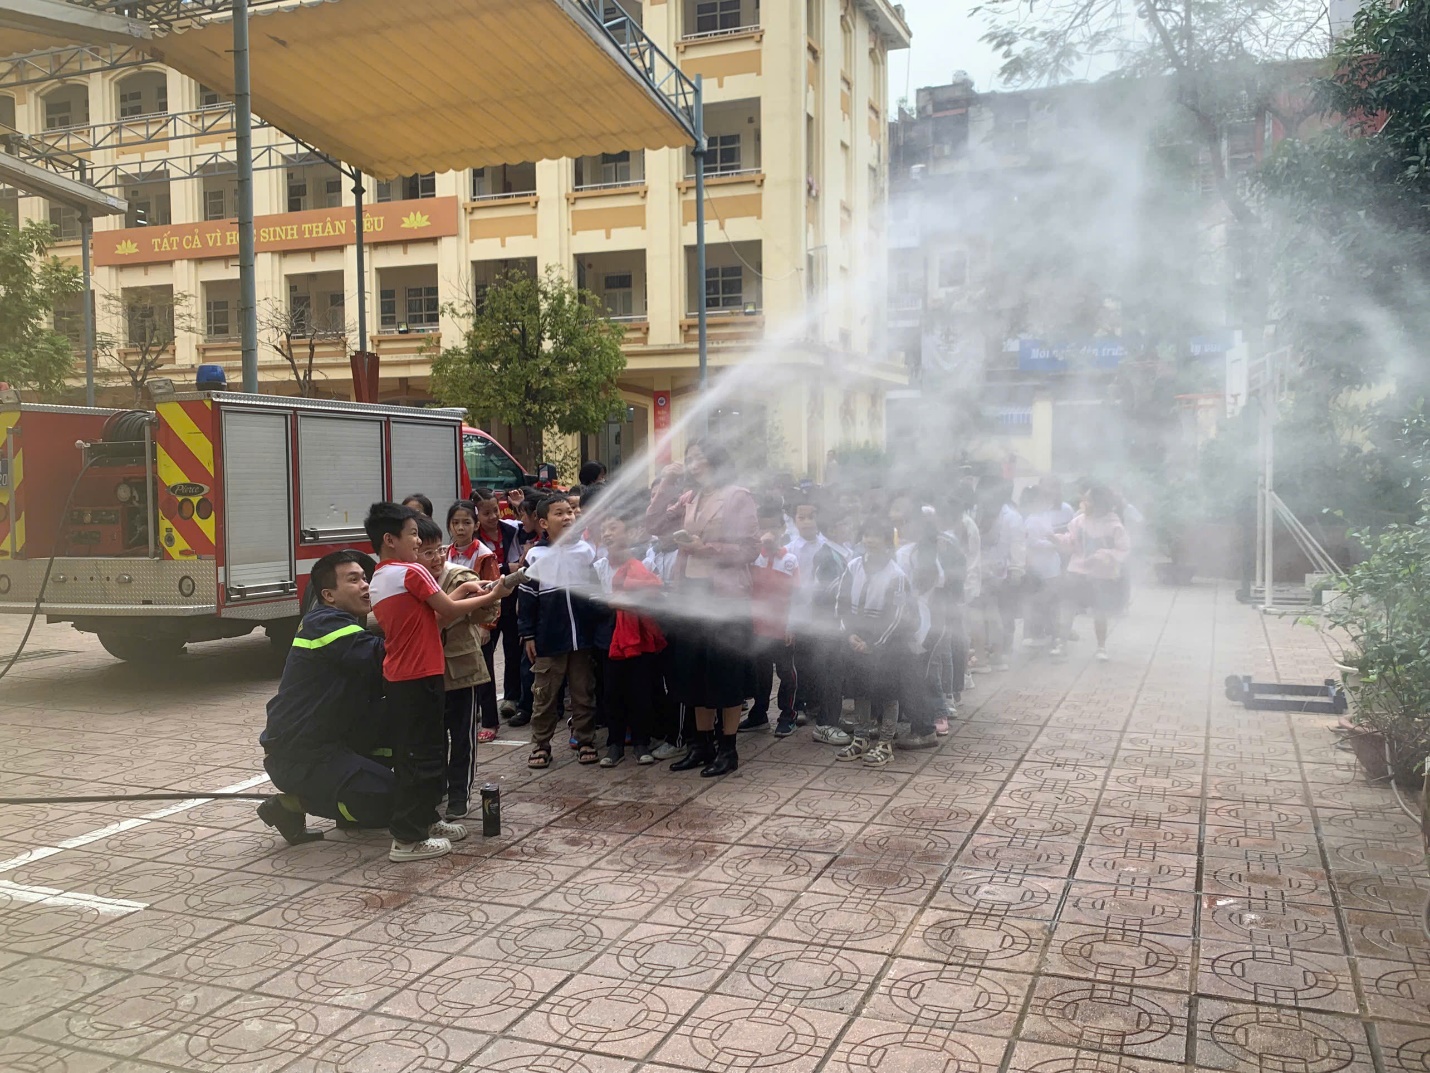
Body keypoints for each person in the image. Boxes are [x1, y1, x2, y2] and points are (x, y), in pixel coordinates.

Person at [364, 501, 501, 862]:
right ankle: (407, 840)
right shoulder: (412, 571)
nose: (417, 541)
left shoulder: (381, 576)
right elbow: (450, 612)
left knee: (420, 753)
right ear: (390, 539)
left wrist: (473, 591)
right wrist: (495, 595)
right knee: (421, 758)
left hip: (402, 678)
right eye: (412, 535)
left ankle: (426, 820)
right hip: (420, 677)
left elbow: (431, 621)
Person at [258, 551, 392, 845]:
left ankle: (350, 795)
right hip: (301, 754)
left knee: (397, 721)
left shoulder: (343, 624)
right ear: (328, 595)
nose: (365, 586)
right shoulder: (325, 624)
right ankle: (291, 805)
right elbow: (382, 656)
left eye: (365, 578)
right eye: (354, 580)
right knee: (395, 802)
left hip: (331, 741)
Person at [649, 439, 758, 778]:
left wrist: (704, 547)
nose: (692, 464)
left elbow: (750, 549)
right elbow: (654, 525)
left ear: (714, 459)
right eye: (689, 459)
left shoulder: (737, 496)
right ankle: (701, 745)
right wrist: (666, 482)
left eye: (697, 458)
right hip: (691, 593)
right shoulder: (690, 497)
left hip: (725, 596)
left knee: (724, 672)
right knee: (692, 671)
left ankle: (728, 749)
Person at [417, 516, 501, 820]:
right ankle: (437, 787)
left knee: (463, 735)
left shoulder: (459, 576)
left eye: (439, 550)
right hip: (427, 671)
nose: (437, 558)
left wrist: (482, 597)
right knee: (434, 735)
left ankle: (459, 795)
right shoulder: (412, 582)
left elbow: (486, 612)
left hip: (462, 669)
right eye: (427, 552)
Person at [518, 495, 601, 769]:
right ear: (543, 523)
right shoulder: (535, 555)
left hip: (583, 641)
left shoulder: (586, 551)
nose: (567, 517)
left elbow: (595, 592)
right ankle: (541, 744)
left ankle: (585, 739)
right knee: (544, 695)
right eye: (559, 513)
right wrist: (528, 635)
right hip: (549, 641)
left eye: (569, 512)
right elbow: (527, 600)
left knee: (583, 692)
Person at [834, 520, 915, 766]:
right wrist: (849, 634)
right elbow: (841, 603)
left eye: (876, 536)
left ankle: (885, 743)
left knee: (887, 692)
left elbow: (898, 617)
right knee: (860, 690)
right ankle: (860, 739)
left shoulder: (897, 576)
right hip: (856, 639)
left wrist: (875, 644)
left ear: (887, 542)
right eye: (867, 534)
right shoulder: (853, 567)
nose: (870, 540)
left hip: (886, 646)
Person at [596, 511, 667, 766]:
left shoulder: (643, 566)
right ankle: (614, 745)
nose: (607, 533)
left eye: (613, 527)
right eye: (604, 529)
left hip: (640, 637)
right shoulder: (599, 567)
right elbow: (594, 603)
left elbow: (655, 596)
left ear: (629, 533)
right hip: (610, 637)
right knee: (612, 693)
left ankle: (641, 742)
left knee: (641, 691)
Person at [786, 493, 851, 746]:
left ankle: (833, 717)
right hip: (828, 625)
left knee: (837, 673)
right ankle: (825, 724)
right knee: (830, 674)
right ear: (834, 527)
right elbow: (825, 595)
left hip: (836, 625)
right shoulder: (827, 556)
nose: (849, 527)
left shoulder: (839, 551)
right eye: (845, 523)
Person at [743, 500, 800, 737]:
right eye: (762, 528)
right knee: (760, 673)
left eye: (773, 529)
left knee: (786, 671)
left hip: (782, 628)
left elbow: (797, 596)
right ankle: (759, 714)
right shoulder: (752, 558)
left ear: (782, 529)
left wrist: (792, 624)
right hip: (758, 627)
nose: (767, 534)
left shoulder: (790, 560)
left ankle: (788, 715)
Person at [469, 488, 525, 726]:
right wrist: (506, 569)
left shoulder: (511, 528)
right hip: (487, 600)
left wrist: (518, 507)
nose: (492, 517)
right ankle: (483, 702)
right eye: (486, 513)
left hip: (511, 597)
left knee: (513, 649)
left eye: (494, 510)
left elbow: (531, 528)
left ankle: (511, 698)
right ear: (476, 515)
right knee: (484, 652)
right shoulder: (473, 539)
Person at [1056, 483, 1131, 661]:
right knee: (1067, 608)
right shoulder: (1079, 521)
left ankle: (1101, 646)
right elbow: (1072, 542)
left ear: (1099, 503)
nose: (1083, 503)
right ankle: (1061, 643)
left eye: (1088, 500)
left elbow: (1124, 549)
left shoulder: (1114, 525)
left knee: (1099, 611)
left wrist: (1106, 555)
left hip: (1100, 575)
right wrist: (1057, 540)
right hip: (1076, 571)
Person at [976, 478, 1025, 671]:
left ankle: (1003, 650)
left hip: (1004, 573)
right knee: (987, 613)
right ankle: (990, 649)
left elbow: (1018, 545)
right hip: (982, 573)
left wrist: (1017, 570)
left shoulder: (1012, 517)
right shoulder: (979, 513)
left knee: (1004, 613)